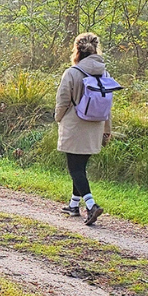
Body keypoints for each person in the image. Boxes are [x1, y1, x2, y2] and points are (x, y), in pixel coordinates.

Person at [55, 32, 113, 225]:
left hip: (74, 125)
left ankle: (91, 205)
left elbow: (63, 101)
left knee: (75, 169)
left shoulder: (72, 73)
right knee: (81, 167)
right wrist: (107, 129)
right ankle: (73, 205)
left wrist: (58, 118)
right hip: (96, 126)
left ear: (77, 50)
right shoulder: (104, 74)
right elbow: (108, 106)